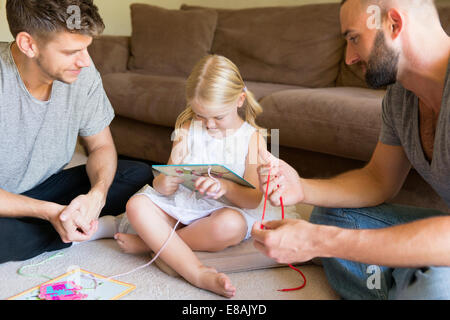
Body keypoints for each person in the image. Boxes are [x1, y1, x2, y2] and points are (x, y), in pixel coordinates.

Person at [252, 0, 450, 300]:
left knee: (432, 286)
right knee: (334, 216)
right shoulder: (400, 97)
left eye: (354, 38)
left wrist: (321, 242)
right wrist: (301, 188)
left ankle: (420, 280)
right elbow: (378, 179)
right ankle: (414, 278)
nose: (349, 58)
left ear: (394, 24)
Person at [0, 0, 153, 264]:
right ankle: (73, 227)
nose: (84, 61)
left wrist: (97, 196)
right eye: (72, 51)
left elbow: (101, 147)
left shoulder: (83, 72)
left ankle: (70, 223)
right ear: (28, 44)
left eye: (86, 48)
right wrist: (50, 213)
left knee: (137, 173)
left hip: (44, 189)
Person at [105, 54, 267, 298]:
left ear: (239, 100)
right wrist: (165, 182)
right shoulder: (188, 128)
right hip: (184, 206)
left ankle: (158, 247)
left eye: (218, 117)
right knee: (137, 205)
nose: (209, 125)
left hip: (220, 213)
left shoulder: (252, 138)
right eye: (201, 114)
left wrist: (225, 187)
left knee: (230, 226)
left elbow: (254, 199)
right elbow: (163, 183)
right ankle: (192, 266)